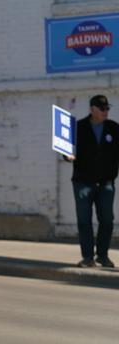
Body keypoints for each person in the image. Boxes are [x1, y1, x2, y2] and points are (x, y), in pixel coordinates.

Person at [65, 95, 119, 268]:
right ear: (92, 109)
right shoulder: (78, 127)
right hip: (83, 182)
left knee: (107, 220)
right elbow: (65, 151)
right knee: (84, 221)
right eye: (102, 109)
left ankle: (102, 256)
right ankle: (87, 257)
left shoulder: (113, 128)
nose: (105, 112)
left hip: (106, 183)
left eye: (107, 109)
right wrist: (67, 156)